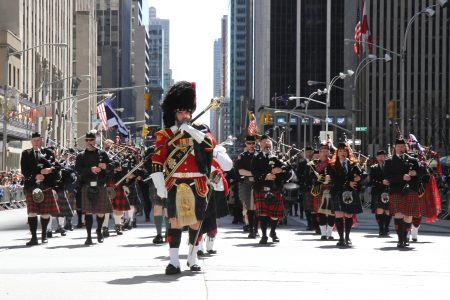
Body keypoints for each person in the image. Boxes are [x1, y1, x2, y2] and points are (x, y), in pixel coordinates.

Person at [150, 81, 215, 275]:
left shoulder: (201, 130)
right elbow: (156, 160)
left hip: (197, 182)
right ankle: (173, 262)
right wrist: (159, 184)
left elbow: (210, 145)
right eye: (180, 112)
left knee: (196, 222)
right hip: (176, 182)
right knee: (174, 222)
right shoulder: (165, 134)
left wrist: (191, 131)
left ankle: (193, 258)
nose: (184, 115)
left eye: (187, 112)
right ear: (174, 113)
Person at [384, 138, 425, 248]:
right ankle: (400, 239)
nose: (401, 148)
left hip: (410, 189)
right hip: (396, 190)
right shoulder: (389, 161)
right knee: (398, 214)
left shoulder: (413, 160)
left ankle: (405, 238)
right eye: (398, 146)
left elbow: (423, 171)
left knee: (408, 215)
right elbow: (387, 176)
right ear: (395, 148)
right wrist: (401, 177)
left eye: (402, 146)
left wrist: (415, 172)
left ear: (405, 147)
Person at [251, 135, 293, 244]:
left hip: (276, 189)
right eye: (264, 142)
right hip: (262, 188)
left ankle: (273, 232)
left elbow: (289, 170)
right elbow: (254, 172)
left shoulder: (278, 157)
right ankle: (264, 235)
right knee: (263, 214)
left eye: (268, 142)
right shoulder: (256, 157)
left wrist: (281, 170)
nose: (267, 144)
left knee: (275, 215)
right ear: (260, 144)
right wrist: (265, 176)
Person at [20, 132, 60, 246]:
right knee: (31, 212)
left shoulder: (48, 153)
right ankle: (33, 237)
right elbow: (24, 170)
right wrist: (36, 175)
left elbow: (57, 168)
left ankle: (43, 235)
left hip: (46, 186)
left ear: (41, 140)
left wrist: (48, 171)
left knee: (45, 213)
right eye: (34, 140)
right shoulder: (26, 153)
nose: (36, 142)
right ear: (31, 142)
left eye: (38, 140)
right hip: (31, 186)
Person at [75, 130, 114, 245]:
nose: (89, 142)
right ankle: (88, 236)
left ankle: (99, 231)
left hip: (100, 185)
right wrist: (90, 170)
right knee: (87, 212)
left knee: (101, 212)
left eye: (91, 140)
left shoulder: (102, 154)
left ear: (95, 141)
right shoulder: (81, 156)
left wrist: (105, 166)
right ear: (85, 141)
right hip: (87, 185)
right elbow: (77, 170)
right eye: (87, 140)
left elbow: (112, 167)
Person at [329, 142, 363, 247]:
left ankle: (347, 237)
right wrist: (348, 183)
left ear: (348, 153)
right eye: (341, 151)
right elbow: (334, 180)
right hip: (337, 191)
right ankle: (341, 238)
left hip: (350, 192)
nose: (343, 153)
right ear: (337, 153)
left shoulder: (352, 164)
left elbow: (362, 174)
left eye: (345, 151)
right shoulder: (332, 165)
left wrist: (359, 178)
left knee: (348, 215)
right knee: (339, 215)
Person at [235, 135, 258, 238]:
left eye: (253, 143)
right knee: (249, 206)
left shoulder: (259, 155)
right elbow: (241, 171)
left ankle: (255, 229)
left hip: (258, 183)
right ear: (246, 144)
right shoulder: (242, 156)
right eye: (249, 143)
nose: (251, 145)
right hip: (246, 183)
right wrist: (255, 173)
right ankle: (251, 229)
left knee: (258, 208)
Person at [369, 150, 391, 237]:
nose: (381, 158)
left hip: (388, 191)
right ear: (377, 158)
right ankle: (381, 228)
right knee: (379, 211)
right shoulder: (373, 167)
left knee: (388, 211)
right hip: (378, 191)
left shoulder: (390, 167)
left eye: (383, 156)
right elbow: (371, 181)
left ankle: (387, 227)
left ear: (385, 157)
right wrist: (382, 182)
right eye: (380, 156)